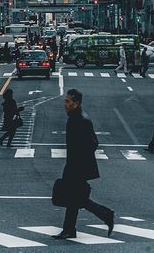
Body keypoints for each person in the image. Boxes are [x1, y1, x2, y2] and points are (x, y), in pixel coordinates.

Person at [53, 89, 114, 239]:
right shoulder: (76, 117)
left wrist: (78, 160)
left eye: (68, 101)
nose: (65, 104)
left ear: (77, 103)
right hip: (75, 165)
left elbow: (93, 143)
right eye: (65, 101)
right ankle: (69, 229)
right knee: (73, 198)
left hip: (77, 166)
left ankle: (106, 214)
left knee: (77, 199)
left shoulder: (80, 120)